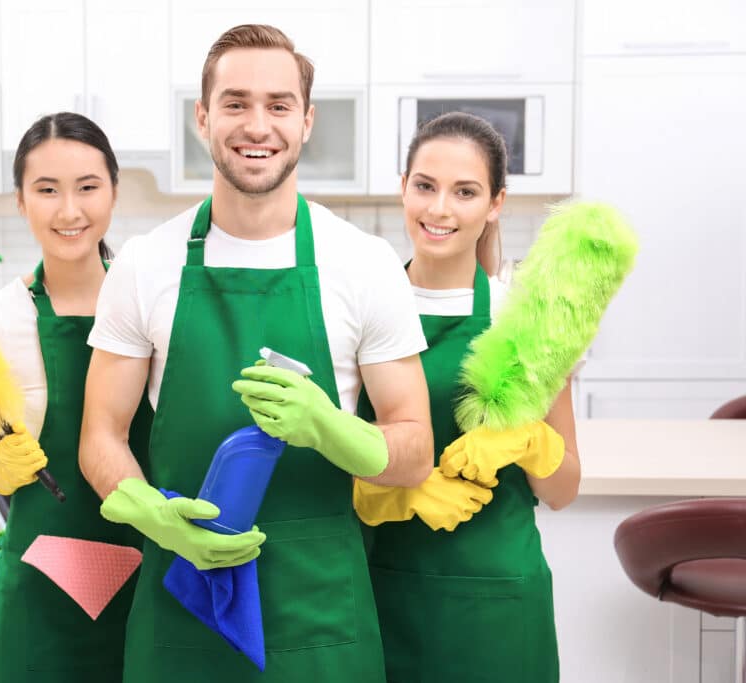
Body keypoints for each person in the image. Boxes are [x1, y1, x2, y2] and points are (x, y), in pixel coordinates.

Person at [79, 23, 433, 683]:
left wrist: (331, 429)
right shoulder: (145, 263)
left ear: (305, 122)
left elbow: (415, 450)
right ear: (204, 117)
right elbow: (100, 436)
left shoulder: (362, 263)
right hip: (183, 608)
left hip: (319, 620)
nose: (257, 125)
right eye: (236, 103)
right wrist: (155, 515)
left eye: (278, 105)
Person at [355, 111, 580, 683]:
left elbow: (563, 490)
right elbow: (326, 462)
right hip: (380, 591)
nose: (440, 209)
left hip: (498, 604)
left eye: (466, 192)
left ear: (495, 203)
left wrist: (529, 441)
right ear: (403, 187)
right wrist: (398, 495)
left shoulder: (524, 321)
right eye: (425, 186)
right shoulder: (359, 311)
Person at [0, 112, 152, 682]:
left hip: (151, 589)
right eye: (47, 190)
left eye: (88, 187)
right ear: (21, 200)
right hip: (35, 608)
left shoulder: (153, 306)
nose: (70, 211)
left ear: (113, 190)